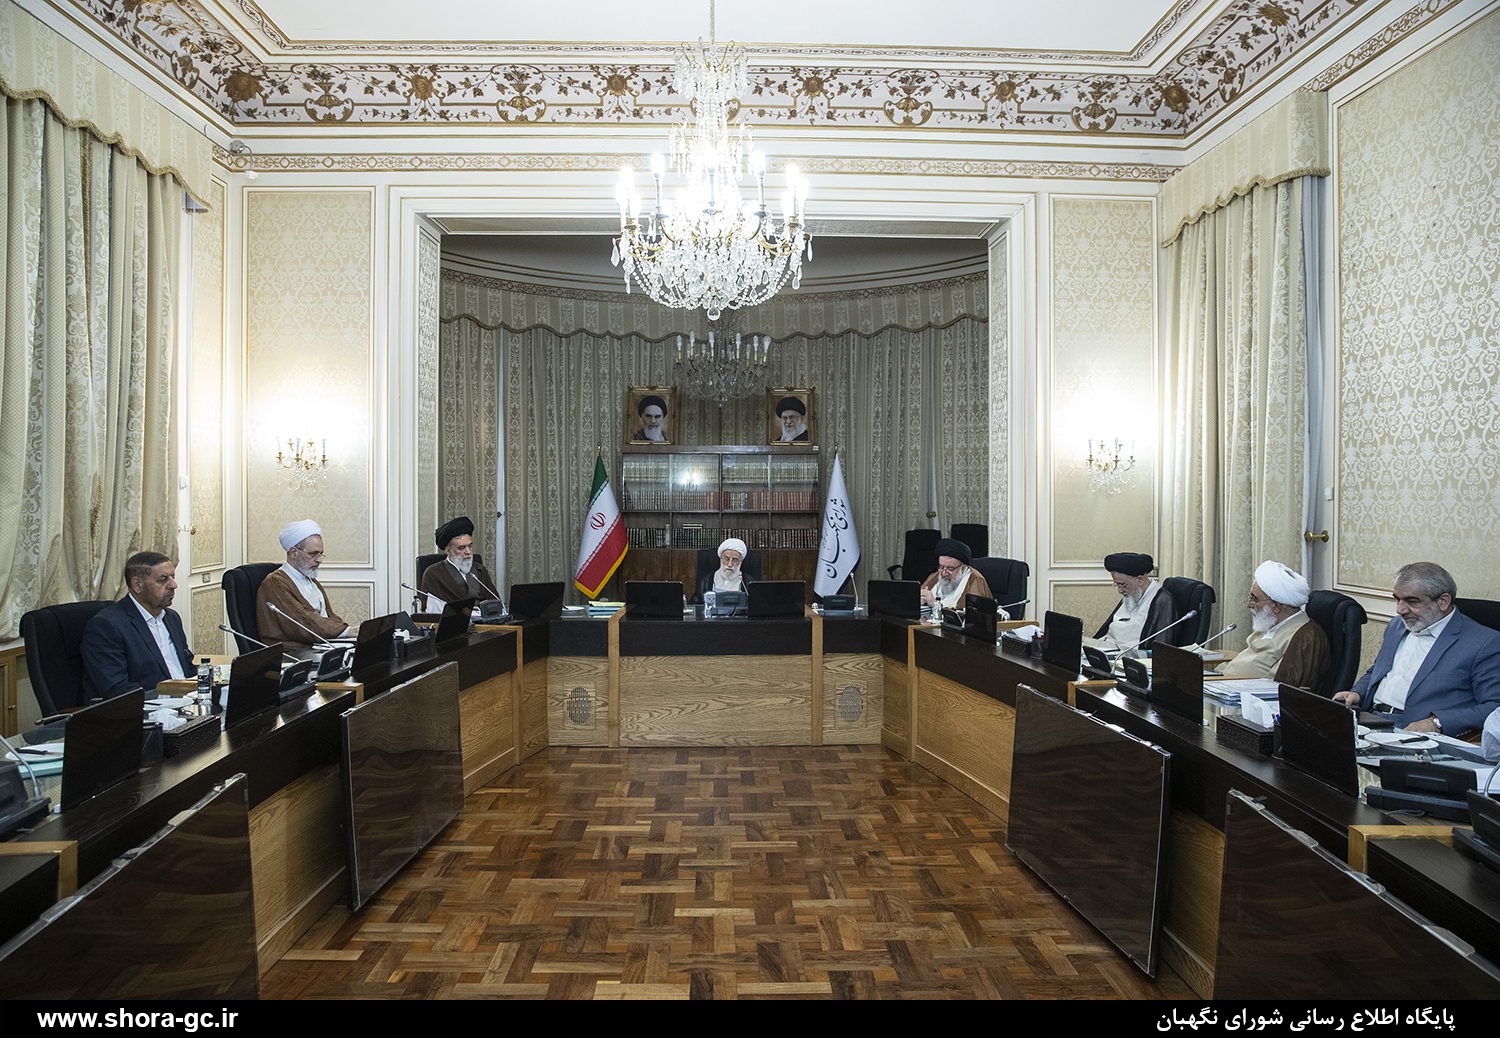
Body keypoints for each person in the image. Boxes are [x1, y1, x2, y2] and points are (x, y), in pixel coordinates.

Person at [1333, 562, 1500, 736]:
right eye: (1397, 599)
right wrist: (1357, 693)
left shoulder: (1484, 643)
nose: (1400, 610)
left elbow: (1494, 707)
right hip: (1370, 720)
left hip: (1417, 733)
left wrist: (1437, 722)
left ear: (1443, 602)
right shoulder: (1397, 625)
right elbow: (1378, 670)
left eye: (1411, 601)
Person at [80, 551, 195, 700]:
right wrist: (172, 697)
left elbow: (188, 667)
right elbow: (116, 690)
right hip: (148, 709)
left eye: (173, 577)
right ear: (137, 585)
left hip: (188, 702)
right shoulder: (107, 626)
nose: (173, 585)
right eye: (163, 579)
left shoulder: (171, 618)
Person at [1220, 560, 1329, 688]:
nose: (1249, 604)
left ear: (1276, 606)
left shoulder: (1304, 637)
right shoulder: (1271, 622)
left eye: (1254, 599)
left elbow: (1280, 687)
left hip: (1242, 694)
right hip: (1221, 684)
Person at [256, 519, 350, 648]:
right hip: (294, 652)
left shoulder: (311, 580)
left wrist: (349, 631)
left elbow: (330, 617)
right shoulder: (275, 583)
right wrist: (346, 631)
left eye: (321, 554)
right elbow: (302, 623)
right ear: (294, 552)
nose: (319, 560)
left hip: (321, 646)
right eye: (313, 554)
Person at [1087, 551, 1177, 654]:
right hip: (1108, 650)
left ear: (1140, 580)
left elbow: (1161, 648)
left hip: (1129, 658)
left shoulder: (1162, 600)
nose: (1120, 590)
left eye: (1123, 585)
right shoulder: (1131, 595)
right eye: (1117, 585)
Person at [420, 515, 500, 607]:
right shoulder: (433, 574)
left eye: (470, 546)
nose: (468, 552)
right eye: (461, 548)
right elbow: (430, 611)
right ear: (447, 550)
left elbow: (495, 603)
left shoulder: (479, 570)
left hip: (481, 616)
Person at [919, 537, 994, 613]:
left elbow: (973, 614)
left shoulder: (975, 580)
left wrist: (935, 604)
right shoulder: (935, 576)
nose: (944, 573)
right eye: (941, 567)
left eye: (950, 568)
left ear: (963, 567)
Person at [697, 537, 753, 601]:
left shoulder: (747, 582)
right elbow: (697, 603)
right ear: (721, 559)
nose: (730, 564)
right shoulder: (707, 580)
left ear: (740, 562)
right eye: (726, 559)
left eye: (735, 560)